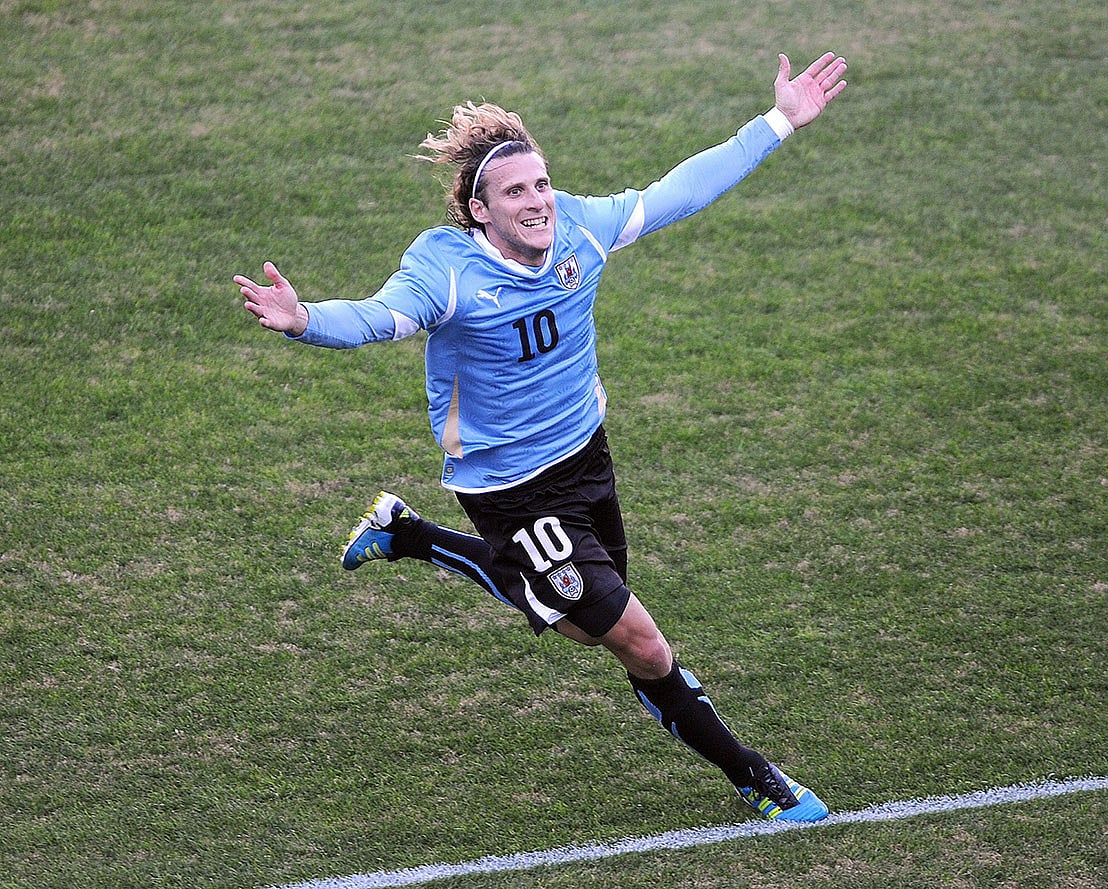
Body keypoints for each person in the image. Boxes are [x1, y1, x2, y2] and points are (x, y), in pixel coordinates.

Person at [235, 51, 847, 822]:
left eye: (542, 184)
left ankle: (407, 534)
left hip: (587, 457)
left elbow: (679, 191)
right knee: (642, 644)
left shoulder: (579, 232)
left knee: (592, 631)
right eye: (516, 191)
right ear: (480, 211)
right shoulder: (447, 270)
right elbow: (377, 317)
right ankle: (757, 777)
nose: (537, 201)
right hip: (508, 485)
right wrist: (305, 320)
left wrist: (780, 121)